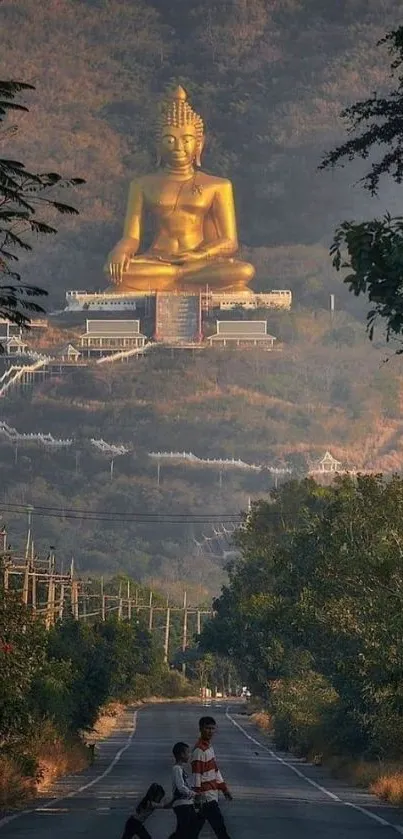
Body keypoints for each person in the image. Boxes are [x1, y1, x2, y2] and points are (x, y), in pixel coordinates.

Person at [191, 716, 233, 839]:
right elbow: (196, 775)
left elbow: (215, 770)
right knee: (220, 830)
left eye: (212, 728)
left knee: (192, 831)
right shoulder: (199, 751)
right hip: (206, 798)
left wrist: (224, 789)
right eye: (207, 728)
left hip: (211, 795)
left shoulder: (209, 747)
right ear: (200, 729)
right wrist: (198, 795)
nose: (210, 731)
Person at [169, 741, 201, 839]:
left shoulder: (181, 769)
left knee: (187, 830)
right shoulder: (177, 769)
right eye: (188, 753)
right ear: (182, 754)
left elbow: (187, 785)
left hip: (187, 804)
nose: (189, 755)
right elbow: (181, 787)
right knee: (186, 832)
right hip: (182, 805)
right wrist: (194, 794)